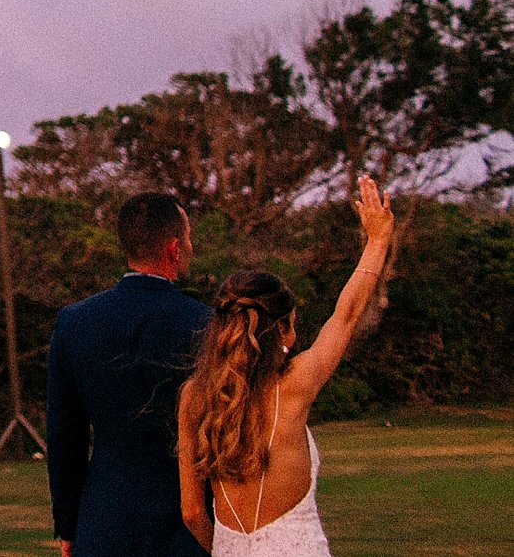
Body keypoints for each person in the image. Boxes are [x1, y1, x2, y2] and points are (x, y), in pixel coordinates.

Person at [175, 178, 395, 556]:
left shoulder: (195, 396)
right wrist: (377, 242)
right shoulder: (295, 383)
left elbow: (193, 511)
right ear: (284, 331)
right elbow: (346, 315)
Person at [47, 192, 213, 557]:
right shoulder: (205, 324)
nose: (190, 245)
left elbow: (64, 438)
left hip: (104, 516)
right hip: (188, 520)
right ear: (173, 248)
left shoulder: (75, 323)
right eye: (187, 238)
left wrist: (68, 524)